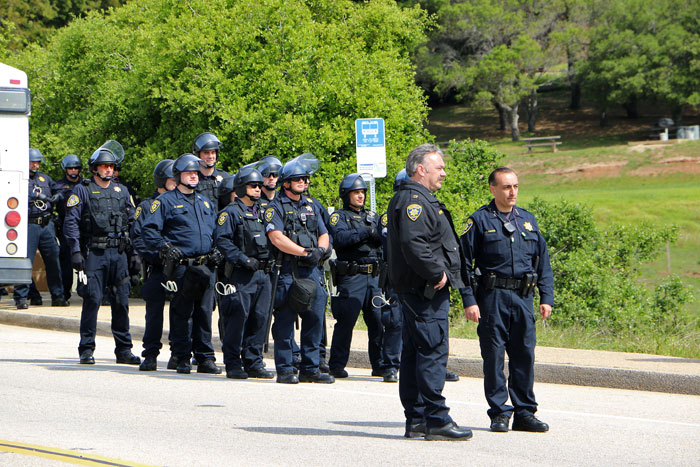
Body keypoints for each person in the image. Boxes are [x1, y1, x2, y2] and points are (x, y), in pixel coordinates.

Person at [386, 143, 472, 441]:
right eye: (439, 168)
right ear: (421, 169)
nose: (444, 173)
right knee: (432, 352)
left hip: (417, 292)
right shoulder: (415, 202)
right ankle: (436, 419)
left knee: (414, 353)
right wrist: (437, 273)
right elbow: (415, 245)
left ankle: (418, 418)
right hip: (424, 293)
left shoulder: (417, 199)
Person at [460, 167, 553, 433]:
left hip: (523, 298)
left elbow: (542, 262)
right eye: (505, 187)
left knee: (524, 355)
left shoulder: (528, 220)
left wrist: (546, 297)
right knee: (494, 358)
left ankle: (525, 413)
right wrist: (469, 300)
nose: (512, 192)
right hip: (492, 298)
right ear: (493, 189)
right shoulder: (479, 221)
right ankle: (500, 412)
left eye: (515, 187)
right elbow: (463, 265)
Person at [141, 153, 223, 375]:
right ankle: (182, 357)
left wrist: (217, 250)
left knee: (205, 313)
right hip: (181, 266)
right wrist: (165, 248)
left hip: (205, 266)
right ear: (178, 176)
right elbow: (149, 231)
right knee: (182, 314)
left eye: (196, 173)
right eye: (189, 173)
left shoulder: (205, 202)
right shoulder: (165, 202)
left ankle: (205, 358)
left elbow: (214, 232)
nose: (194, 177)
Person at [63, 146, 140, 365]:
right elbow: (71, 223)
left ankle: (124, 350)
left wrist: (135, 253)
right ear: (95, 169)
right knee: (93, 299)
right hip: (95, 254)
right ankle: (86, 349)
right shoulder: (82, 190)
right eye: (104, 166)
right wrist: (76, 252)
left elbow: (133, 223)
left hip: (119, 253)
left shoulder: (122, 191)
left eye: (111, 166)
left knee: (121, 302)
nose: (108, 170)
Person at [264, 158, 334, 384]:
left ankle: (310, 368)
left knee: (314, 318)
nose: (304, 182)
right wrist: (303, 252)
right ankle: (285, 369)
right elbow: (276, 238)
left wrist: (320, 251)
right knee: (285, 320)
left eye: (305, 178)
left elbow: (324, 232)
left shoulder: (312, 205)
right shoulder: (275, 207)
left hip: (312, 270)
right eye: (298, 179)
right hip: (287, 271)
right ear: (286, 183)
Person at [215, 166, 275, 380]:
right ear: (241, 188)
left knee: (260, 318)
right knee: (238, 318)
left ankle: (254, 361)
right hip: (241, 274)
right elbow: (222, 241)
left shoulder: (265, 211)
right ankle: (232, 363)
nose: (258, 189)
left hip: (263, 273)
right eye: (253, 185)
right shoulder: (230, 213)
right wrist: (242, 259)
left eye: (260, 185)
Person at [327, 174, 385, 380]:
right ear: (346, 194)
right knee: (346, 321)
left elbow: (382, 237)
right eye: (356, 192)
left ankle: (380, 364)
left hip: (374, 277)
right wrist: (365, 232)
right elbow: (341, 238)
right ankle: (336, 365)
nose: (360, 196)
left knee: (378, 321)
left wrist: (373, 232)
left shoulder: (372, 215)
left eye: (362, 192)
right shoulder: (339, 217)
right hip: (352, 276)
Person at [132, 159, 177, 371]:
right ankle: (150, 354)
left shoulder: (182, 202)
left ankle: (179, 353)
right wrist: (158, 256)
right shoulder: (148, 206)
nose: (176, 182)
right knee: (154, 313)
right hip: (158, 266)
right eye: (172, 178)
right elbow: (139, 237)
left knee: (181, 312)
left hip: (180, 266)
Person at [14, 148, 67, 309]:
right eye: (32, 162)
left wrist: (58, 195)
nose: (35, 165)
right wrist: (35, 196)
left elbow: (58, 189)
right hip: (29, 225)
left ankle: (58, 296)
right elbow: (14, 195)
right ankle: (22, 297)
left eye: (37, 162)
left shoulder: (45, 178)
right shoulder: (20, 179)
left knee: (53, 260)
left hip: (46, 224)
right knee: (26, 262)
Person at [55, 154, 83, 304]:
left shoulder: (86, 185)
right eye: (70, 168)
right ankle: (65, 292)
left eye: (76, 168)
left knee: (84, 258)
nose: (73, 170)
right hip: (65, 227)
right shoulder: (58, 186)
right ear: (65, 169)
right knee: (66, 261)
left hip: (83, 227)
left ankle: (84, 289)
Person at [192, 132, 229, 207]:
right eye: (206, 153)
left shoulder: (226, 178)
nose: (210, 156)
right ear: (198, 155)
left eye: (213, 152)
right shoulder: (192, 179)